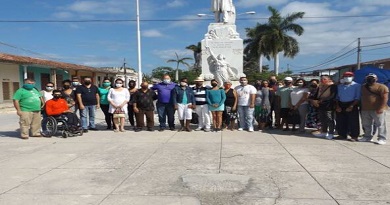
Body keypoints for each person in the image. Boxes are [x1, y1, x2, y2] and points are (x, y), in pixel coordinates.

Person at [359, 73, 388, 145]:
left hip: (377, 109)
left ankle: (382, 138)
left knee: (380, 124)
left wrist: (381, 108)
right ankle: (367, 137)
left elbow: (385, 98)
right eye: (369, 78)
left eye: (372, 78)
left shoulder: (382, 87)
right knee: (366, 124)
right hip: (365, 109)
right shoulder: (363, 87)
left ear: (376, 79)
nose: (370, 79)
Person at [334, 72, 361, 141]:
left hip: (352, 104)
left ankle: (354, 136)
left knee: (353, 121)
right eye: (345, 76)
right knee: (341, 120)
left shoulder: (357, 85)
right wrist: (337, 106)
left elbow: (357, 97)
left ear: (353, 77)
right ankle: (342, 134)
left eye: (349, 76)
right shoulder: (340, 86)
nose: (347, 77)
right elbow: (337, 97)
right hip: (341, 103)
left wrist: (351, 106)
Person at [312, 75, 337, 139]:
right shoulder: (320, 86)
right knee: (322, 119)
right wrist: (313, 100)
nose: (322, 80)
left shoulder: (333, 86)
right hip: (320, 105)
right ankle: (324, 132)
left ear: (329, 80)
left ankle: (331, 133)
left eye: (324, 79)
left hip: (329, 105)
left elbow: (332, 96)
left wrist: (323, 100)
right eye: (321, 79)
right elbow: (316, 95)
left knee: (330, 119)